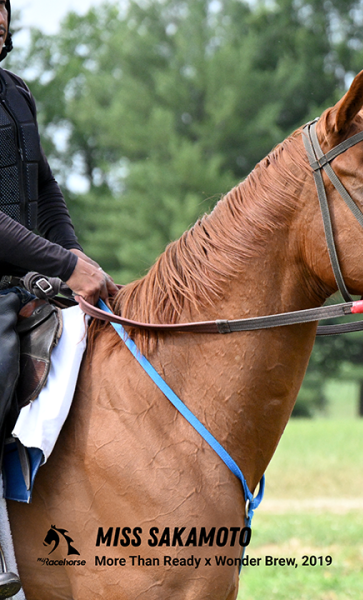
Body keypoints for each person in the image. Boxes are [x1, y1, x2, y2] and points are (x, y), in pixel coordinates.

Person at [0, 0, 116, 596]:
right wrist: (65, 263)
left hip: (24, 283)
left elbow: (44, 188)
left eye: (0, 6)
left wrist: (80, 264)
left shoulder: (16, 91)